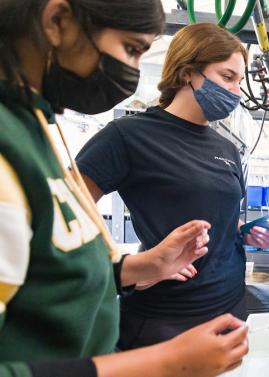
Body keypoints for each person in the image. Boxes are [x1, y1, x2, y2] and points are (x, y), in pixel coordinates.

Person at [0, 1, 248, 376]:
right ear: (56, 20)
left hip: (220, 300)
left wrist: (139, 267)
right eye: (131, 49)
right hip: (162, 319)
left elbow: (61, 255)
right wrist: (162, 361)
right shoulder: (121, 137)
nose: (131, 72)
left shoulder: (33, 126)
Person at [75, 22, 269, 350]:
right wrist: (134, 269)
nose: (237, 92)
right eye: (227, 77)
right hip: (166, 318)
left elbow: (215, 217)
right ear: (188, 73)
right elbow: (66, 219)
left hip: (230, 306)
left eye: (240, 81)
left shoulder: (226, 147)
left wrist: (244, 231)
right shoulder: (129, 136)